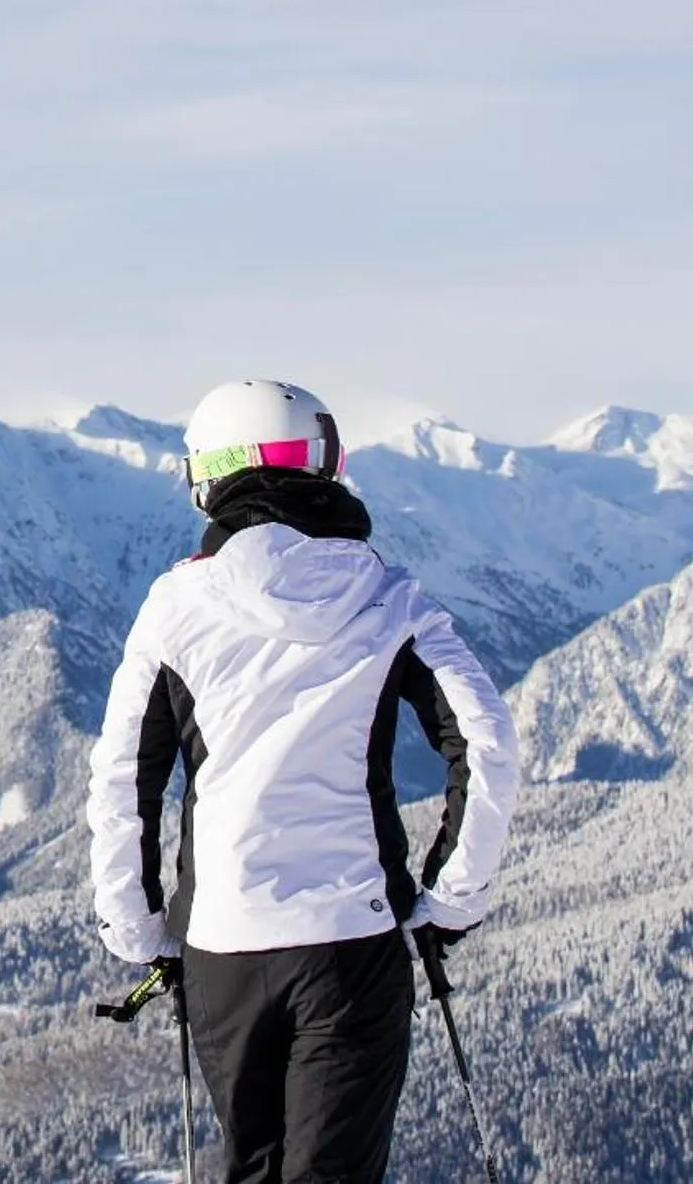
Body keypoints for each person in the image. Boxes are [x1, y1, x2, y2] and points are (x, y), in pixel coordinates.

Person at [86, 380, 520, 1183]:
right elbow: (487, 739)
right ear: (323, 467)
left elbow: (123, 779)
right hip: (354, 939)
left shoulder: (174, 608)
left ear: (209, 477)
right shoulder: (390, 598)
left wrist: (137, 928)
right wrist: (452, 898)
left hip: (222, 945)